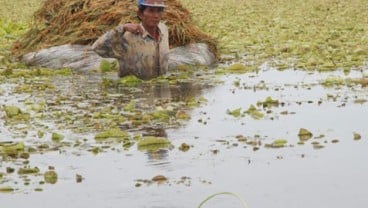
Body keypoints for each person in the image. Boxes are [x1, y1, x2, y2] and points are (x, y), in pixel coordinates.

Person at [92, 0, 169, 80]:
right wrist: (122, 28)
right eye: (151, 11)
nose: (156, 16)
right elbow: (97, 48)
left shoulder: (164, 30)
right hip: (133, 89)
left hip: (161, 87)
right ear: (140, 14)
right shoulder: (128, 37)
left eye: (159, 11)